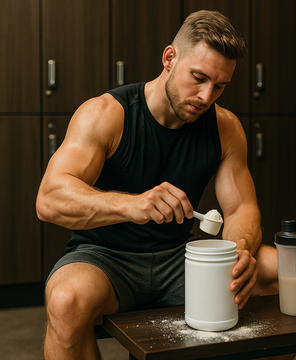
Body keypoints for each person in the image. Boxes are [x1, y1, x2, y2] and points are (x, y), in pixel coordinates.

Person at [36, 10, 283, 360]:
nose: (206, 95)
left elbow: (241, 208)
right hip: (105, 259)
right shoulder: (106, 114)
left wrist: (238, 250)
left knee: (276, 268)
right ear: (170, 58)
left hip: (179, 257)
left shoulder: (224, 127)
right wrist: (131, 205)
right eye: (198, 77)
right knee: (65, 301)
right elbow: (49, 199)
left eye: (220, 86)